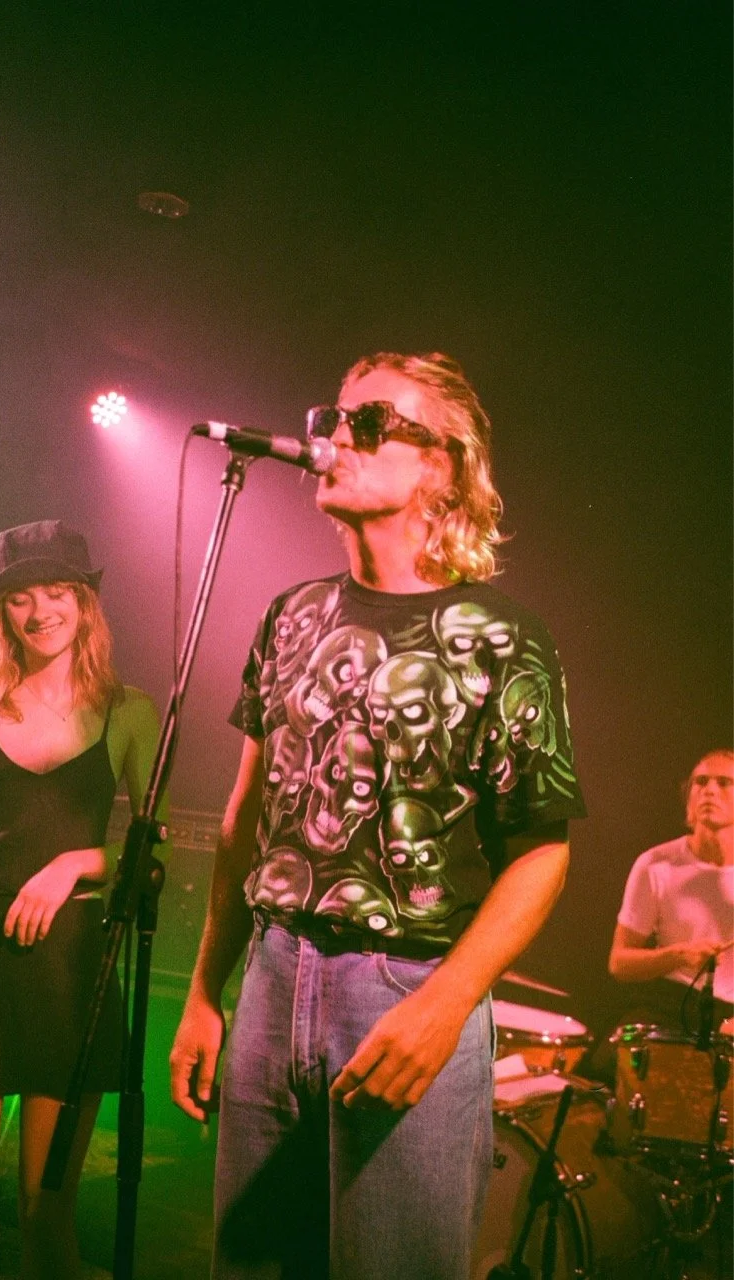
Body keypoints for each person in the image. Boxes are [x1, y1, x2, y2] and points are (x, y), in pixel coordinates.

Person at [169, 352, 586, 1279]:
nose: (333, 438)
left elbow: (541, 853)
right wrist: (205, 991)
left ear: (441, 464)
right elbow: (245, 818)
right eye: (331, 417)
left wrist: (445, 1006)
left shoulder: (501, 638)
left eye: (368, 423)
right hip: (273, 975)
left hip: (404, 989)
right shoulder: (289, 615)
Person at [0, 520, 162, 1280]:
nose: (41, 611)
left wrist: (73, 864)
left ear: (84, 603)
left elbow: (155, 854)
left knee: (48, 1224)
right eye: (20, 598)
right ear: (0, 610)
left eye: (57, 593)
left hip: (71, 966)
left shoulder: (130, 711)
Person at [608, 749, 734, 1031]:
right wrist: (678, 955)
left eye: (724, 783)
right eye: (701, 782)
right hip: (669, 1005)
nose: (709, 791)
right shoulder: (655, 864)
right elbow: (619, 963)